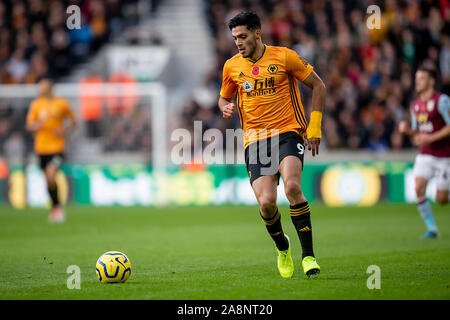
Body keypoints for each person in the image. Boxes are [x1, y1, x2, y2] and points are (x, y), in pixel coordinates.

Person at [218, 12, 326, 278]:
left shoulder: (284, 56)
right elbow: (222, 98)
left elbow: (318, 85)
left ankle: (309, 256)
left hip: (288, 132)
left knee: (291, 186)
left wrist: (314, 126)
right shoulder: (231, 67)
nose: (238, 43)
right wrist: (225, 106)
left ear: (257, 33)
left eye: (242, 36)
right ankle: (283, 247)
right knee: (267, 203)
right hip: (255, 140)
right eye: (234, 38)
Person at [399, 67, 450, 239]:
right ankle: (432, 229)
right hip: (425, 154)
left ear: (431, 81)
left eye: (421, 78)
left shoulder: (442, 101)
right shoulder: (415, 105)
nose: (417, 81)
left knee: (442, 199)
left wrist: (430, 137)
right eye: (416, 78)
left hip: (444, 156)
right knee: (419, 188)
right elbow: (418, 131)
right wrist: (408, 131)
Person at [26, 79, 77, 222]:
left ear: (50, 88)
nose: (40, 89)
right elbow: (29, 126)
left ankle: (58, 208)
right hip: (41, 148)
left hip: (57, 147)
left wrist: (63, 130)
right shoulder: (36, 105)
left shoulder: (61, 103)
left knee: (51, 174)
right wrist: (37, 125)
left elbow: (73, 122)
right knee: (48, 180)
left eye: (43, 87)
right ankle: (56, 208)